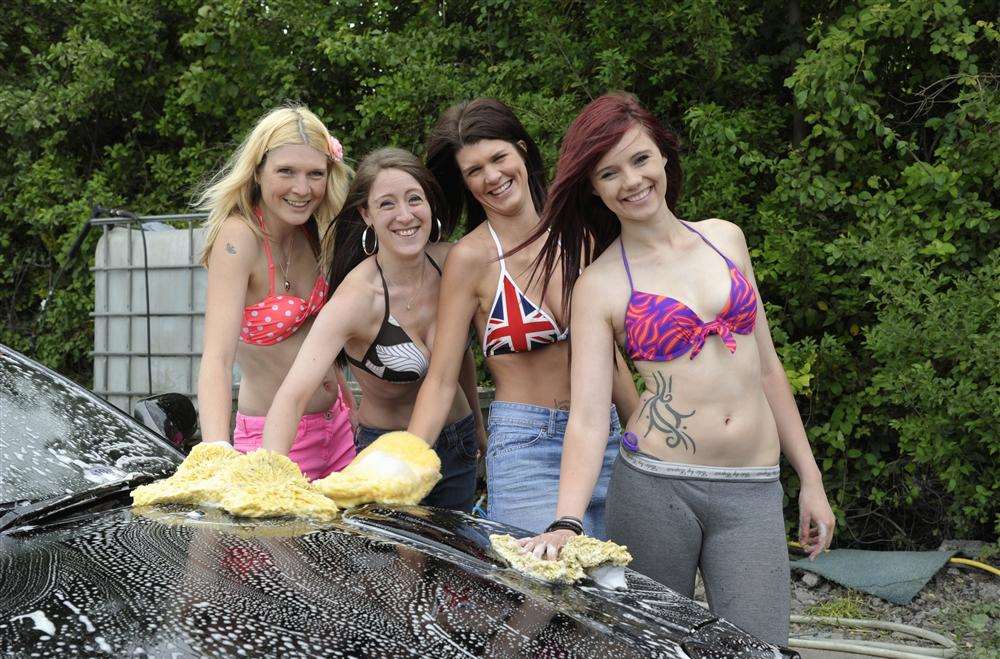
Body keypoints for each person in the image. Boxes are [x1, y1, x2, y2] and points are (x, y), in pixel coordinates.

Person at [518, 92, 835, 645]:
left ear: (664, 156)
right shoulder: (599, 285)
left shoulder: (725, 238)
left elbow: (768, 369)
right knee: (649, 648)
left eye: (640, 160)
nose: (631, 181)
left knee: (761, 647)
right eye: (608, 172)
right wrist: (567, 519)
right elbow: (591, 418)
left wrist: (810, 478)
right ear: (593, 187)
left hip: (753, 486)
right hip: (655, 489)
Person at [405, 99, 638, 536]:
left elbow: (609, 358)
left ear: (522, 151)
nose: (492, 176)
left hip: (603, 435)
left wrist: (645, 434)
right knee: (542, 591)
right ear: (466, 183)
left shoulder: (580, 235)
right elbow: (440, 380)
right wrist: (404, 463)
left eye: (498, 158)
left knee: (615, 587)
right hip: (526, 446)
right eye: (474, 170)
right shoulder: (469, 259)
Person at [261, 148, 485, 511]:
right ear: (366, 214)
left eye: (415, 200)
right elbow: (292, 395)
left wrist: (477, 424)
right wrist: (270, 480)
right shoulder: (358, 298)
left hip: (456, 442)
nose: (405, 215)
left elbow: (458, 360)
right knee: (399, 568)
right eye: (387, 205)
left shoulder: (453, 264)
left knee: (459, 564)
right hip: (385, 455)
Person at [195, 105, 357, 480]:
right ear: (257, 170)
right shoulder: (239, 238)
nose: (302, 189)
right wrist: (215, 454)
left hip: (339, 427)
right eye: (286, 171)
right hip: (275, 444)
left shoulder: (315, 233)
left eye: (316, 174)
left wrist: (347, 398)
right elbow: (216, 359)